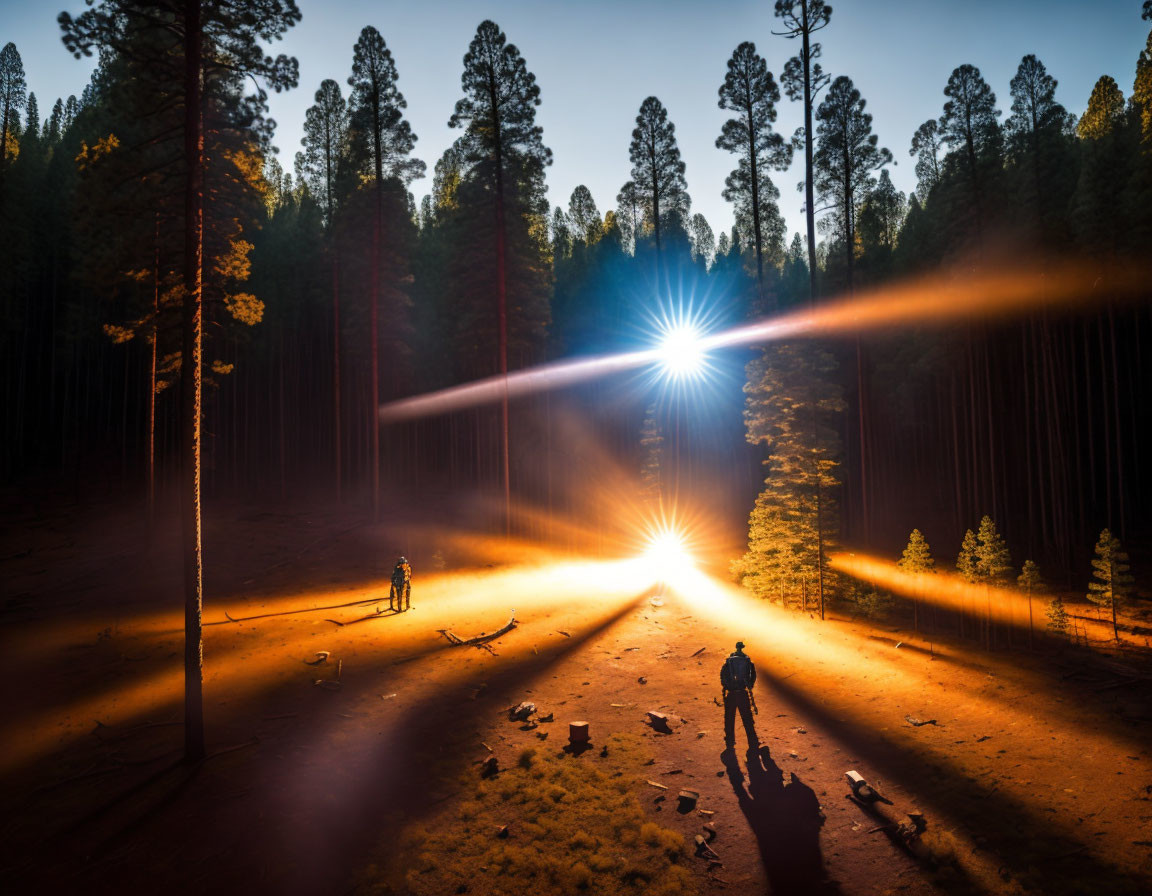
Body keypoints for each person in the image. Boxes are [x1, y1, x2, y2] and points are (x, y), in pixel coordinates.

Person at [720, 640, 759, 753]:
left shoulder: (729, 661)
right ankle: (752, 741)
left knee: (729, 718)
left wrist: (727, 686)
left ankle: (730, 741)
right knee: (747, 718)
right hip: (742, 692)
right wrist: (749, 685)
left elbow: (723, 675)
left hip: (731, 693)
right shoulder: (747, 660)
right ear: (742, 648)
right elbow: (753, 674)